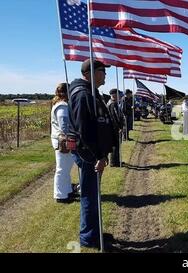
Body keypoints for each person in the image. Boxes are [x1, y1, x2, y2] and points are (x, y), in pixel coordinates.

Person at [68, 59, 115, 249]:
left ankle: (94, 231)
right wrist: (99, 156)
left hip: (94, 154)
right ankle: (89, 237)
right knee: (89, 195)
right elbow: (84, 130)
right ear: (91, 73)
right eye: (103, 71)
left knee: (94, 195)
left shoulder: (92, 93)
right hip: (89, 155)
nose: (105, 74)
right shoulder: (82, 94)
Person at [51, 83, 76, 203]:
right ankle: (60, 195)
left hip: (63, 140)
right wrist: (69, 136)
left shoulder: (62, 105)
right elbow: (64, 124)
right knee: (62, 169)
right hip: (63, 141)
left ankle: (67, 191)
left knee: (66, 168)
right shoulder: (63, 106)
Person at [107, 89, 124, 167]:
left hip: (113, 127)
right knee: (115, 145)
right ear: (114, 95)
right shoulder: (113, 104)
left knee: (116, 145)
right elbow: (116, 117)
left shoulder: (111, 103)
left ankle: (115, 161)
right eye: (118, 94)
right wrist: (120, 127)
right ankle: (114, 162)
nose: (119, 96)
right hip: (114, 128)